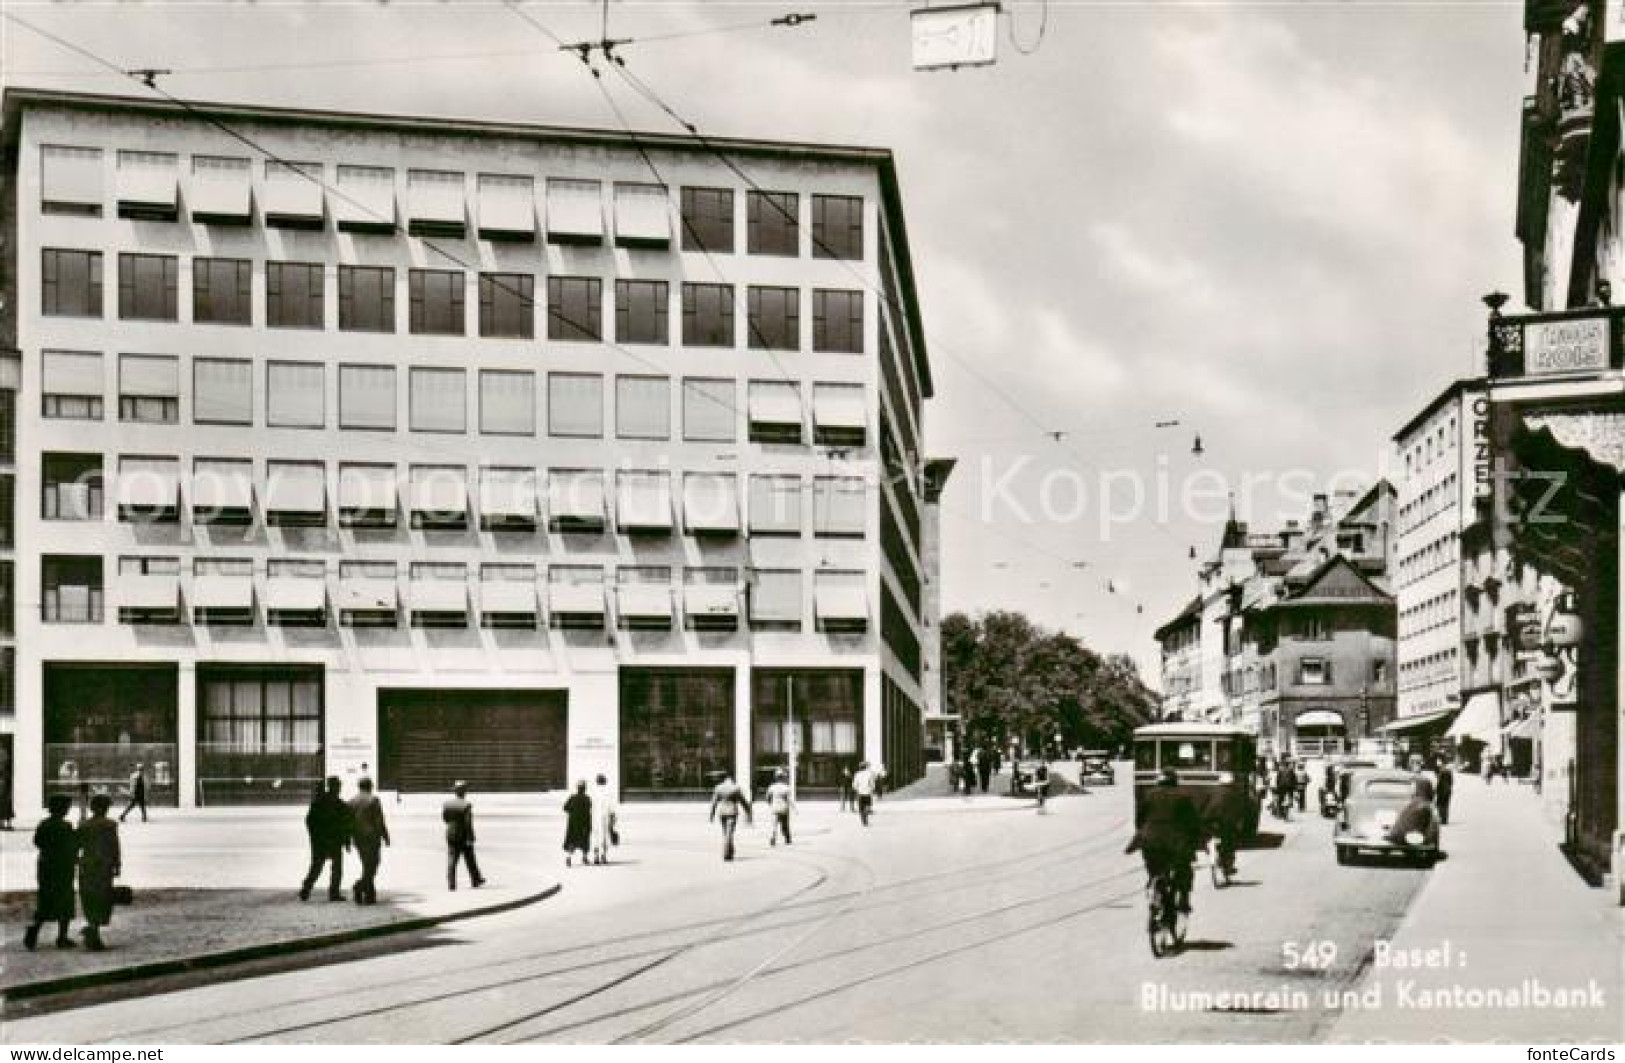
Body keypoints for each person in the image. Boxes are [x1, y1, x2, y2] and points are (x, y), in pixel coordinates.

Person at [1127, 768, 1202, 914]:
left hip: (1150, 840)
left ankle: (1154, 884)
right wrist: (1196, 839)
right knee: (1184, 869)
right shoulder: (1183, 797)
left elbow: (1139, 820)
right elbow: (1193, 823)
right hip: (1175, 843)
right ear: (1175, 781)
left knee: (1154, 868)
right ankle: (1184, 901)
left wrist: (1144, 832)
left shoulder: (1148, 795)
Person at [24, 794, 78, 951]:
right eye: (67, 807)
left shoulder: (44, 824)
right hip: (63, 867)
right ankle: (62, 937)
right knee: (65, 901)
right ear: (62, 809)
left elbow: (37, 841)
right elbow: (72, 846)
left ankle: (34, 929)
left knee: (46, 900)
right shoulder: (66, 826)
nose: (68, 809)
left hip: (46, 865)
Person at [77, 793, 120, 950]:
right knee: (102, 897)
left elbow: (77, 845)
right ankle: (93, 930)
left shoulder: (84, 825)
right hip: (103, 866)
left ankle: (92, 927)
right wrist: (117, 864)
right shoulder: (110, 825)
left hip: (87, 865)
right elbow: (114, 846)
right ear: (106, 808)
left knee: (89, 896)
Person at [300, 776, 352, 902]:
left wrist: (314, 837)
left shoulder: (319, 802)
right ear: (335, 787)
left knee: (317, 866)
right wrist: (346, 841)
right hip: (333, 840)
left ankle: (306, 888)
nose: (339, 788)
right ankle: (333, 893)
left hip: (321, 841)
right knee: (336, 868)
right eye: (338, 786)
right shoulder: (340, 804)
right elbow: (346, 824)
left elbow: (309, 822)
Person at [348, 777, 390, 905]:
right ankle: (359, 887)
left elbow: (348, 823)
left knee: (367, 865)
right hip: (372, 838)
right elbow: (379, 820)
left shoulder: (351, 801)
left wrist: (348, 840)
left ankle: (370, 895)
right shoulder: (374, 800)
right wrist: (385, 836)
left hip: (358, 838)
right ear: (370, 786)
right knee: (373, 865)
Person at [443, 781, 485, 889]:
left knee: (452, 859)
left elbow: (445, 819)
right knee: (470, 858)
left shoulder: (447, 804)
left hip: (450, 833)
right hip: (463, 835)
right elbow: (468, 823)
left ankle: (451, 883)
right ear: (464, 792)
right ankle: (476, 880)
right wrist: (471, 837)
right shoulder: (467, 805)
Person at [1385, 776, 1443, 850]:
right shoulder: (1425, 805)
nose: (1410, 791)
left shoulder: (1417, 804)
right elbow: (1432, 832)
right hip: (1406, 841)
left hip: (1400, 840)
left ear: (1419, 790)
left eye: (1413, 789)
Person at [708, 772, 753, 861]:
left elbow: (714, 803)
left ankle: (730, 850)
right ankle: (726, 853)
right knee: (730, 833)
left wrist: (711, 815)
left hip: (722, 812)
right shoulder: (736, 788)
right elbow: (743, 801)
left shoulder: (718, 787)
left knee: (726, 832)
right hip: (732, 812)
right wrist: (748, 811)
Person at [562, 780, 592, 867]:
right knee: (585, 841)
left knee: (572, 841)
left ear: (577, 788)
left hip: (573, 823)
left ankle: (568, 857)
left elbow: (565, 808)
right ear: (585, 789)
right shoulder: (587, 798)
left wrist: (572, 812)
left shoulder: (572, 797)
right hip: (584, 823)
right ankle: (585, 858)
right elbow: (589, 809)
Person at [590, 774, 617, 866]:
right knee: (605, 836)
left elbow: (590, 806)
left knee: (596, 836)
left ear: (597, 781)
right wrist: (613, 818)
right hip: (606, 816)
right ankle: (603, 856)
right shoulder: (609, 792)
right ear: (605, 781)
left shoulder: (592, 792)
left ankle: (596, 857)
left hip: (595, 816)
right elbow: (612, 807)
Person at [766, 769, 794, 846]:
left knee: (774, 825)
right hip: (784, 808)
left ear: (776, 777)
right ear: (783, 778)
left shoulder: (771, 787)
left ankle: (773, 838)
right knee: (785, 824)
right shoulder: (786, 787)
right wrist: (793, 807)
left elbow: (768, 798)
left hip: (774, 808)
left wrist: (770, 804)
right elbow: (788, 799)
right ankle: (787, 838)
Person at [852, 761, 877, 826]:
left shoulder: (857, 774)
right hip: (868, 793)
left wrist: (857, 789)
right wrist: (872, 789)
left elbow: (854, 785)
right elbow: (872, 784)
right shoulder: (869, 774)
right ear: (865, 767)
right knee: (867, 806)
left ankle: (864, 821)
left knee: (861, 808)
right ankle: (866, 818)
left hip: (860, 793)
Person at [1435, 761, 1455, 826]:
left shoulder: (1441, 773)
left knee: (1440, 805)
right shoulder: (1449, 772)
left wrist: (1436, 790)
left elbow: (1439, 783)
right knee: (1446, 805)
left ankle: (1441, 818)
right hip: (1448, 790)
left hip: (1441, 791)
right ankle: (1445, 820)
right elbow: (1452, 782)